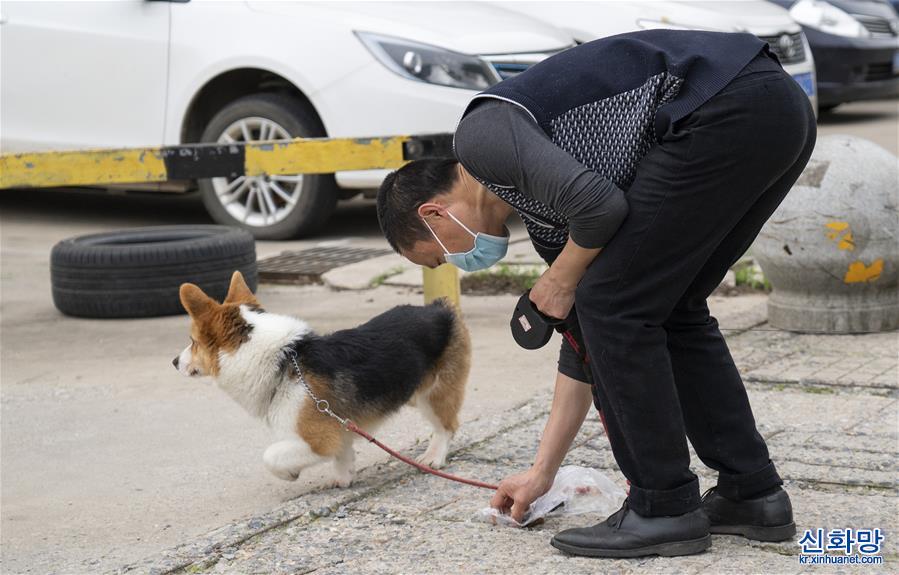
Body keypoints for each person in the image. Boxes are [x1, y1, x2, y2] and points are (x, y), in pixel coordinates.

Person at [376, 29, 816, 559]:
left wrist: (560, 281)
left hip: (727, 104)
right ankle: (752, 495)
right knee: (668, 307)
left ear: (434, 212)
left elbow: (602, 211)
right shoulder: (546, 219)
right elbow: (585, 345)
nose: (457, 264)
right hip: (773, 108)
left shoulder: (481, 137)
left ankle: (663, 508)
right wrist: (543, 472)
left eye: (440, 254)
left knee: (617, 302)